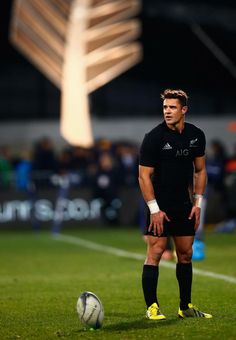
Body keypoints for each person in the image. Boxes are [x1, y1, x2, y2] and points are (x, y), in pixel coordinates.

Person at [138, 89, 212, 320]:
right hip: (158, 206)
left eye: (172, 107)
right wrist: (154, 210)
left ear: (184, 110)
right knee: (156, 251)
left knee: (185, 253)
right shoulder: (154, 137)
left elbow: (200, 171)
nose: (167, 111)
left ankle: (185, 307)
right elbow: (143, 177)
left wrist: (197, 203)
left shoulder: (196, 135)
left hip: (183, 204)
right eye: (165, 107)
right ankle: (152, 307)